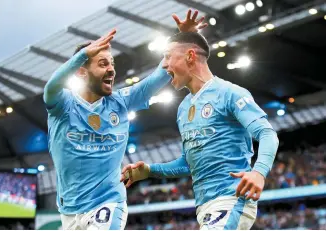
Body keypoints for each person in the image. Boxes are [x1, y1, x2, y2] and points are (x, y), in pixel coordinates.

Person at [43, 10, 207, 230]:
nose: (111, 69)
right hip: (69, 211)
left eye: (111, 63)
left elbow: (160, 74)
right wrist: (82, 55)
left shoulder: (121, 102)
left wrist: (182, 40)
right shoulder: (63, 104)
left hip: (108, 203)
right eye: (103, 64)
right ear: (81, 72)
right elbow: (51, 86)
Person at [120, 29, 279, 229]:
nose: (166, 66)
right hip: (204, 207)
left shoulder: (229, 93)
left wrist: (259, 172)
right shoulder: (183, 108)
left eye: (168, 57)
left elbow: (267, 134)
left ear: (190, 56)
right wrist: (150, 171)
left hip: (231, 198)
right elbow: (188, 163)